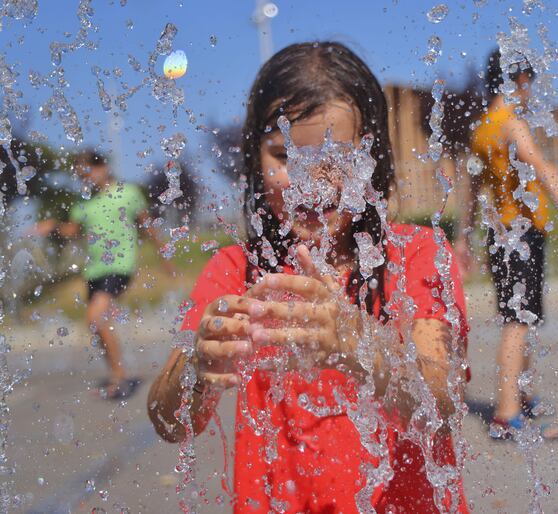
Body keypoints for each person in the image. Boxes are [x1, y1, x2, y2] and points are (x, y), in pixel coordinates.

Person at [147, 42, 470, 513]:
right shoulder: (237, 273)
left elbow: (440, 409)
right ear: (254, 160)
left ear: (372, 157)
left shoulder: (417, 255)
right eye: (283, 155)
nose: (309, 181)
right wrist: (197, 368)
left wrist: (361, 347)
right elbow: (168, 422)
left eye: (337, 156)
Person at [454, 50, 558, 440]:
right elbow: (543, 167)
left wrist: (464, 237)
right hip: (521, 235)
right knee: (517, 324)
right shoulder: (512, 124)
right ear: (520, 80)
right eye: (530, 81)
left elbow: (473, 189)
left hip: (502, 237)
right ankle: (507, 412)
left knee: (522, 320)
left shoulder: (483, 128)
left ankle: (523, 396)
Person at [32, 150, 170, 399]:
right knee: (95, 324)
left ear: (103, 167)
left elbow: (147, 225)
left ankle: (120, 378)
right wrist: (52, 226)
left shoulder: (128, 193)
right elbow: (72, 231)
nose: (85, 179)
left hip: (119, 266)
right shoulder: (83, 203)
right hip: (94, 270)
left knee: (96, 318)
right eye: (80, 175)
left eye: (87, 172)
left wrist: (163, 256)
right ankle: (117, 372)